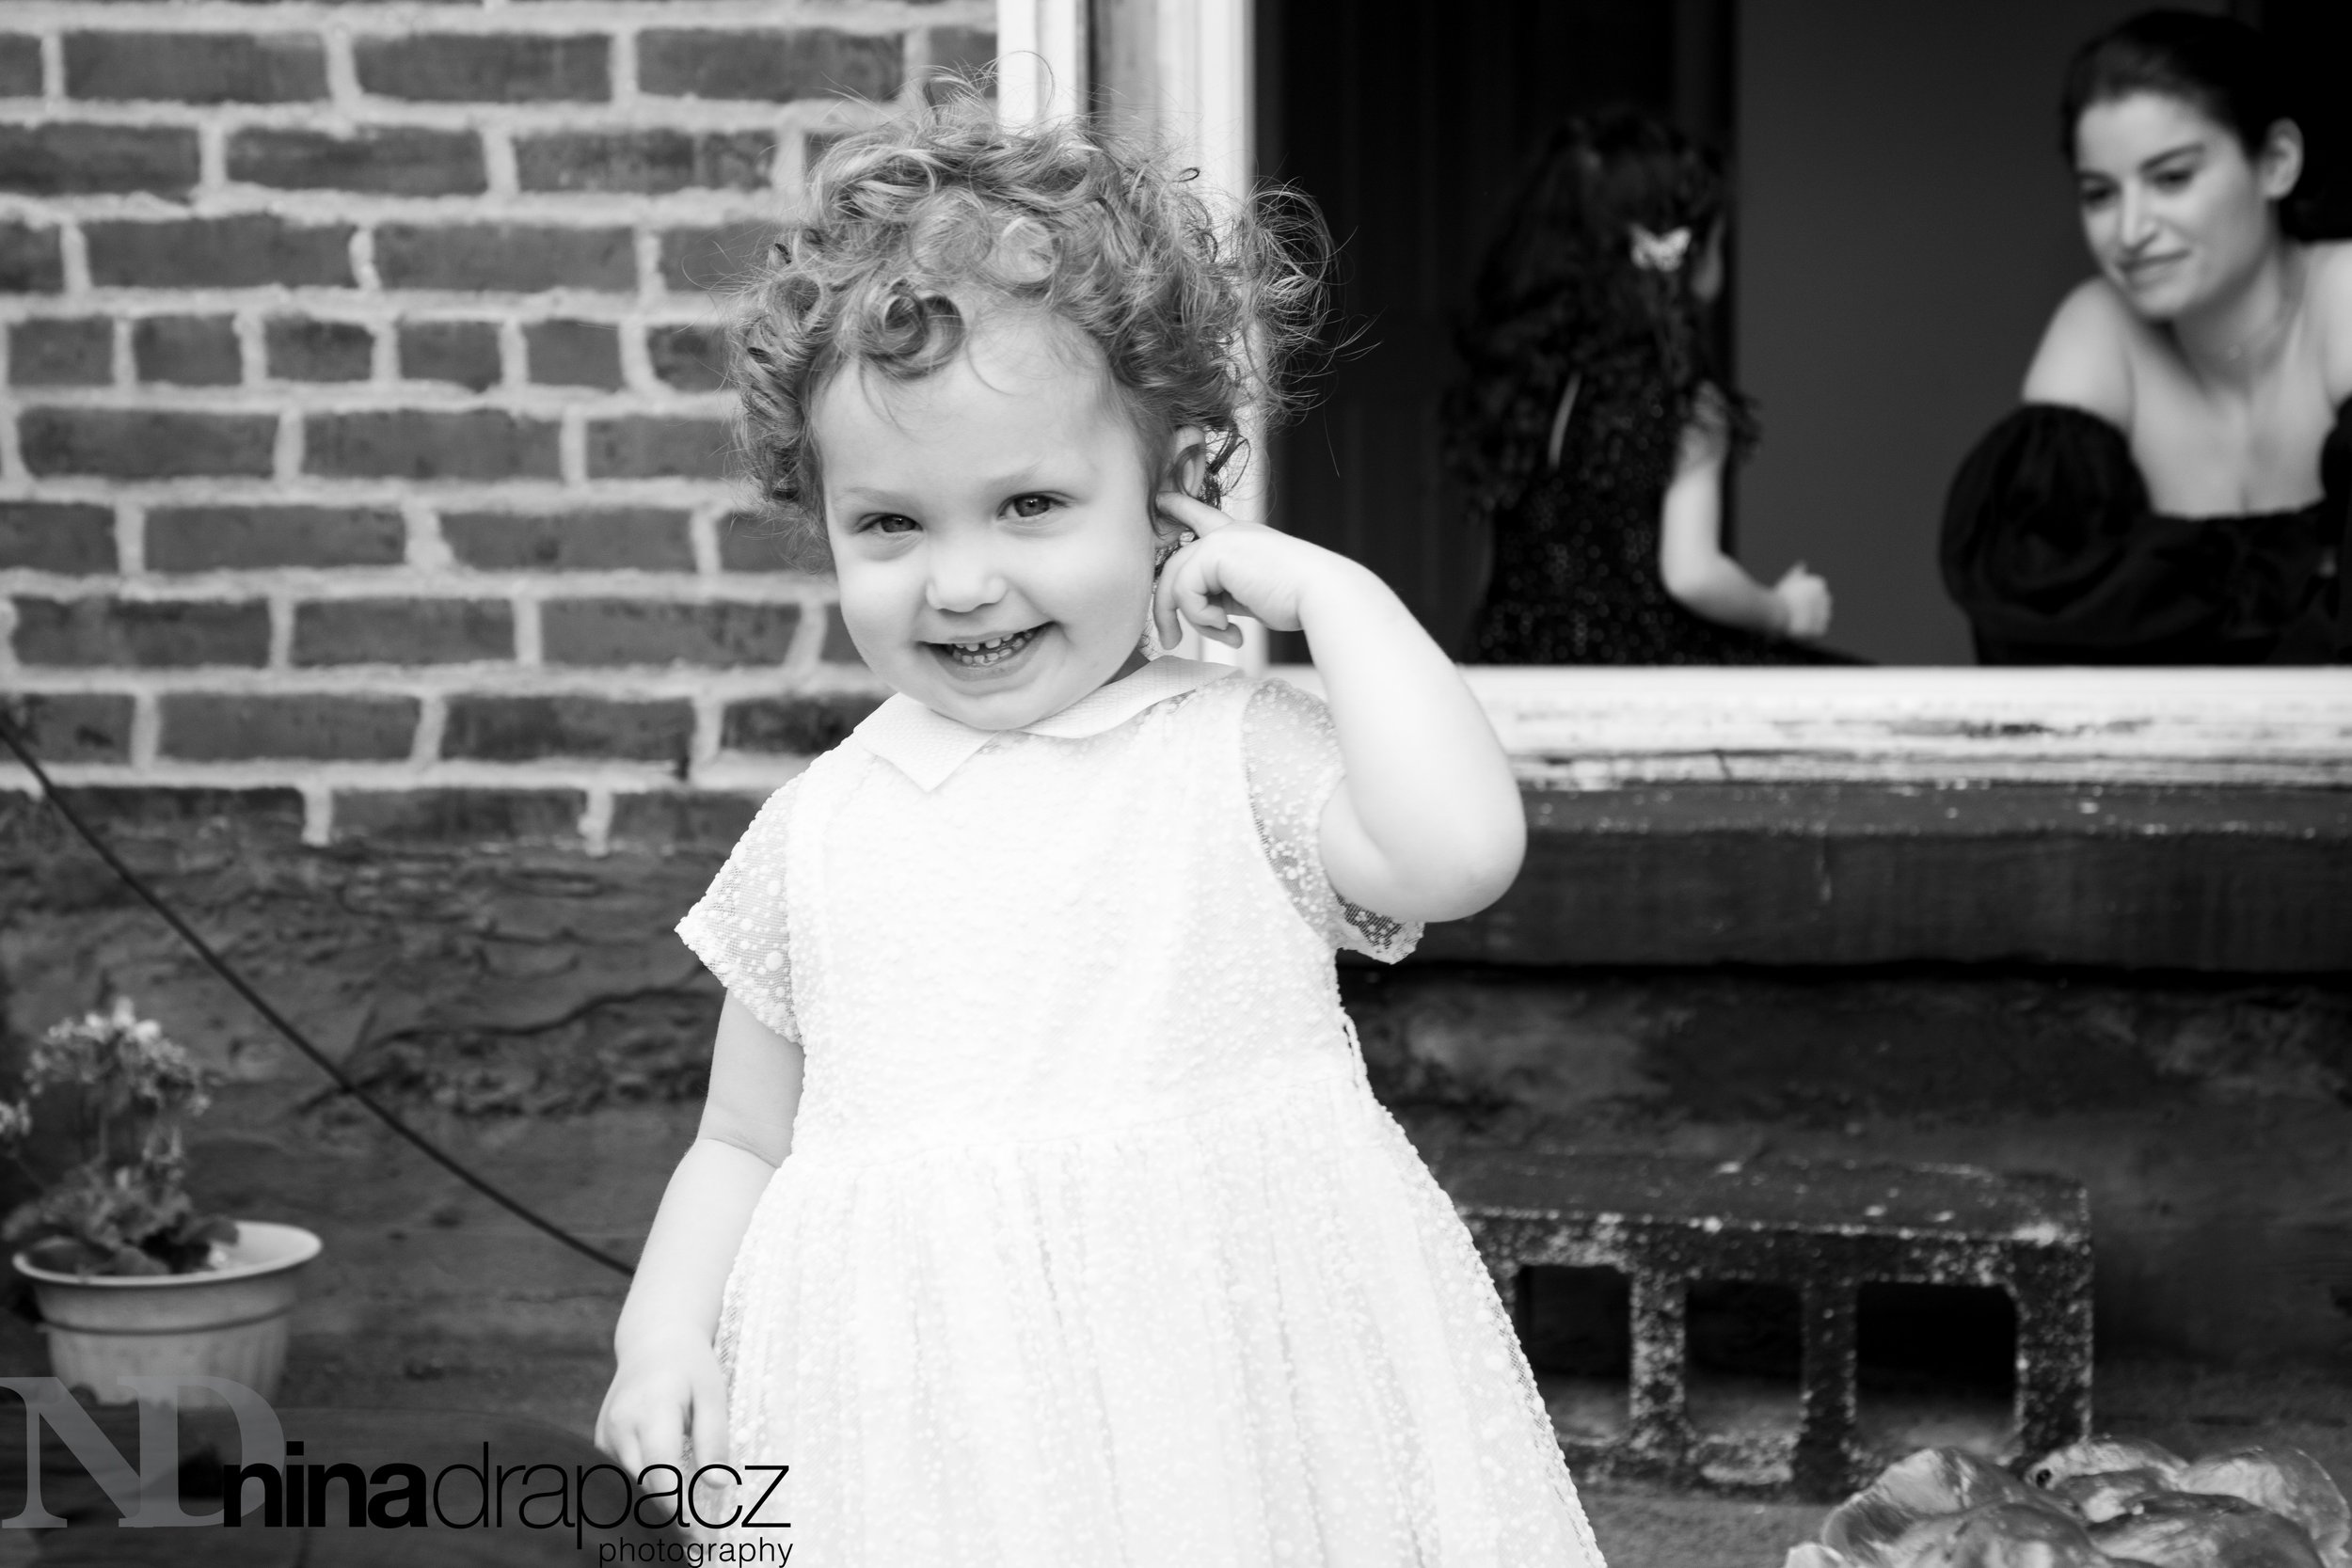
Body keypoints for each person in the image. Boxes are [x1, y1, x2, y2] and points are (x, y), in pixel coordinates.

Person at [593, 94, 1607, 1568]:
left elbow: (1458, 852)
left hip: (1225, 1404)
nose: (960, 582)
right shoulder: (819, 830)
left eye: (1030, 504)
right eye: (891, 524)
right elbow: (743, 1136)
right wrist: (663, 1325)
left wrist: (1335, 598)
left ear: (1169, 492)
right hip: (923, 1436)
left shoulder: (1228, 756)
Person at [1942, 9, 2351, 664]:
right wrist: (2312, 565)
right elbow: (2032, 616)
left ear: (2276, 163)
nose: (2130, 232)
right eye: (2100, 195)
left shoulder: (2342, 292)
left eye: (2172, 178)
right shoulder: (2099, 325)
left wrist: (2158, 592)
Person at [1449, 109, 1837, 663]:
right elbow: (1692, 574)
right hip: (1641, 673)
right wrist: (1784, 611)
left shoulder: (1520, 381)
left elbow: (1497, 572)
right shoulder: (1680, 398)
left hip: (1514, 664)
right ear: (1687, 253)